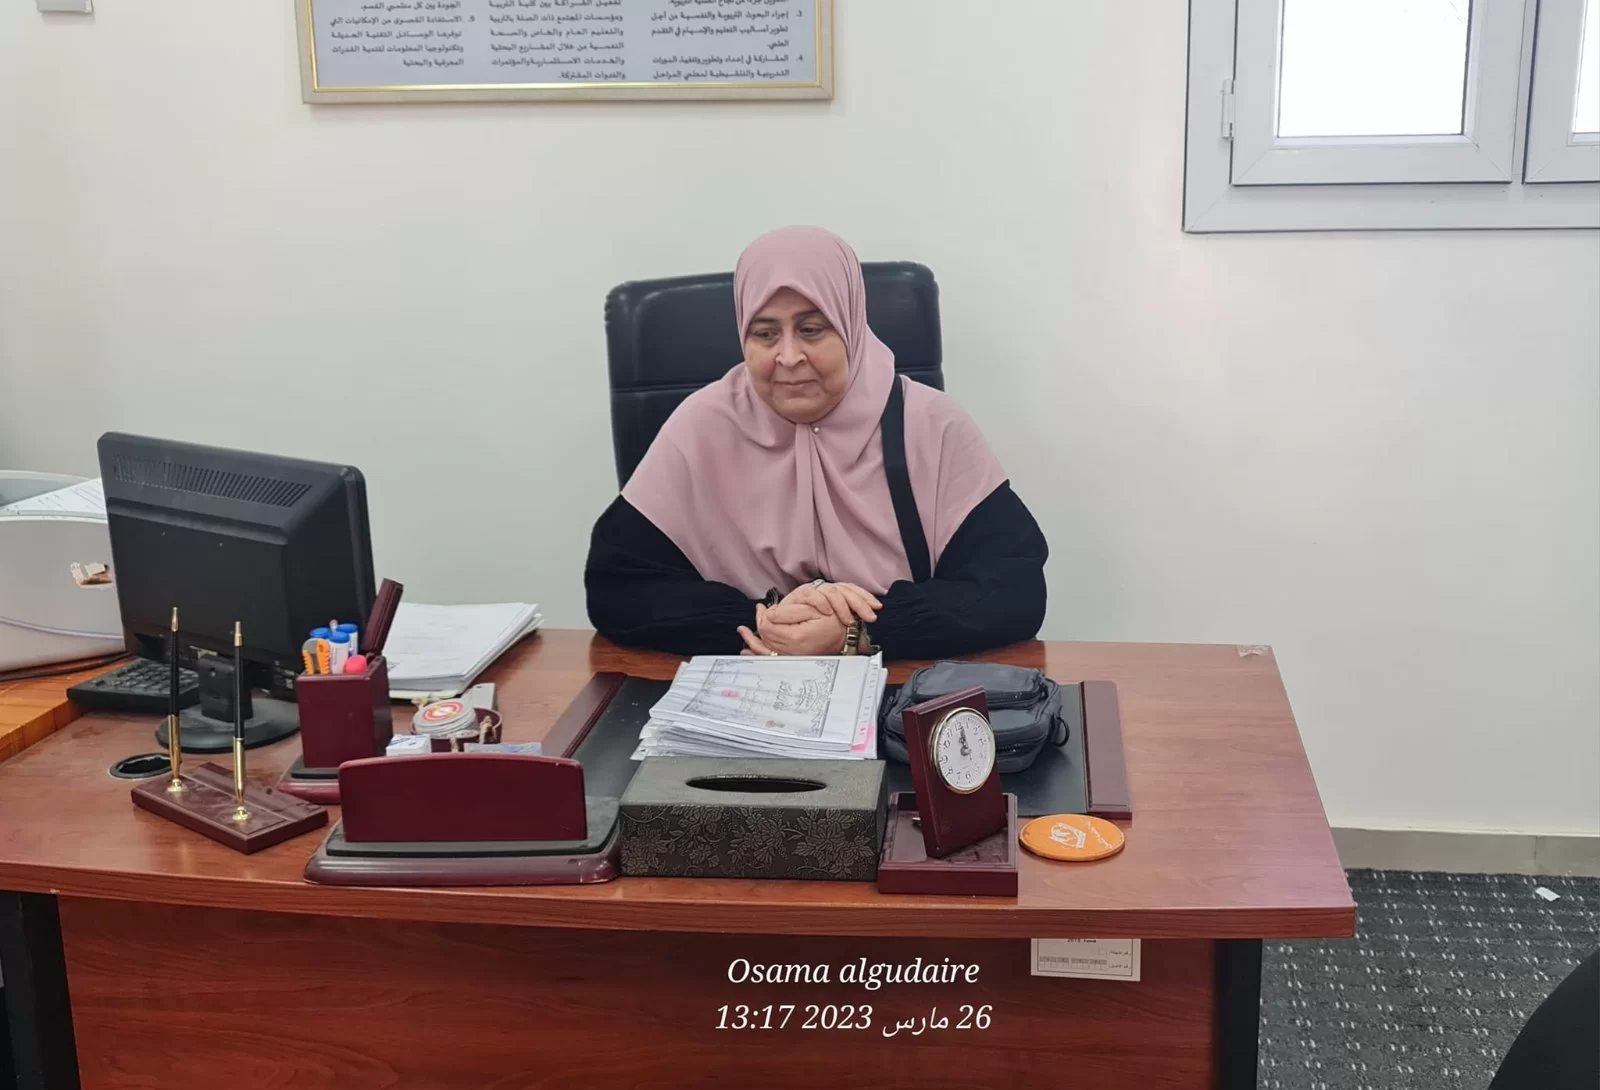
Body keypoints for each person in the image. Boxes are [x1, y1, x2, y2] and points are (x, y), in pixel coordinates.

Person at [584, 225, 1048, 660]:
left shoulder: (930, 424)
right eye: (765, 333)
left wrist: (860, 631)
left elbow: (1014, 590)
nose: (788, 356)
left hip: (901, 690)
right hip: (750, 687)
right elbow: (617, 588)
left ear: (850, 325)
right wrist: (763, 622)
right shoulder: (702, 426)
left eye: (811, 329)